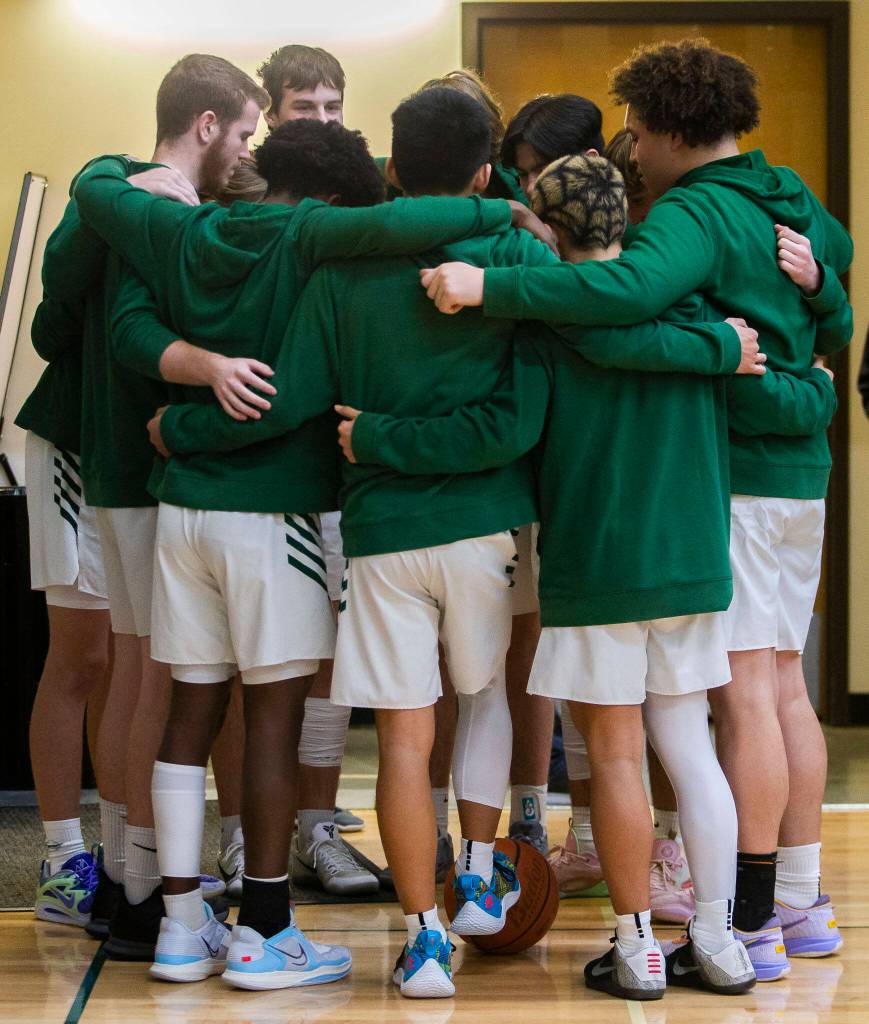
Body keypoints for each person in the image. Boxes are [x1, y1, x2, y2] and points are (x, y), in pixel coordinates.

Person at [338, 152, 841, 998]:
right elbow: (780, 373)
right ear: (629, 218)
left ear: (547, 227)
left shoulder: (545, 328)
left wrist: (379, 440)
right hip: (688, 564)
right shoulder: (698, 323)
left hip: (592, 569)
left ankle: (637, 947)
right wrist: (799, 371)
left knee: (612, 759)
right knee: (689, 750)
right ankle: (718, 942)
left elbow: (502, 435)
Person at [73, 104, 529, 986]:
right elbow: (290, 399)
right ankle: (267, 929)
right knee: (277, 725)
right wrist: (497, 209)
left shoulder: (185, 229)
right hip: (276, 511)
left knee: (188, 714)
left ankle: (176, 925)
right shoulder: (318, 243)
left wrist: (177, 412)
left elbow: (124, 320)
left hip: (180, 515)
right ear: (330, 196)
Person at [16, 295, 111, 927]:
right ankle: (63, 860)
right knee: (82, 656)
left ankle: (126, 852)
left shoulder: (212, 215)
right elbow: (52, 327)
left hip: (137, 452)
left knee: (129, 659)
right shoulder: (111, 203)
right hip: (76, 445)